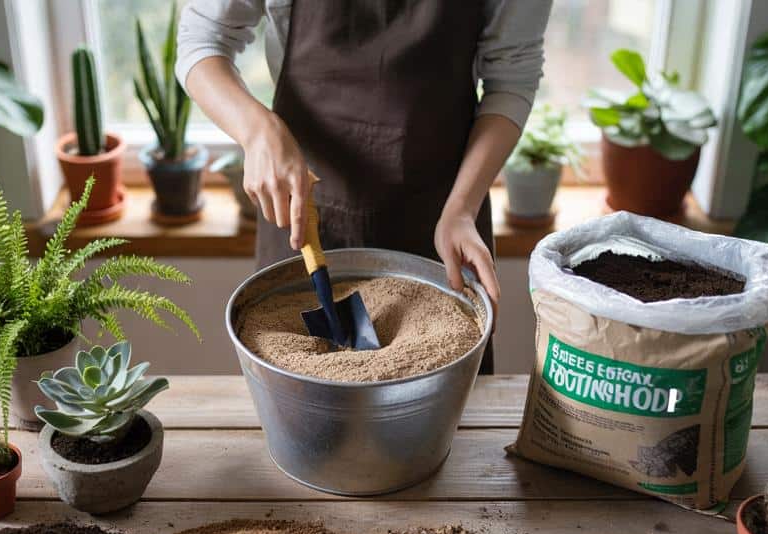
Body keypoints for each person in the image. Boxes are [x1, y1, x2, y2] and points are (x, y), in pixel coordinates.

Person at [178, 0, 552, 371]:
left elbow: (511, 78)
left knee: (452, 422)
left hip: (442, 216)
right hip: (304, 211)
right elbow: (201, 40)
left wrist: (463, 208)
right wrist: (257, 130)